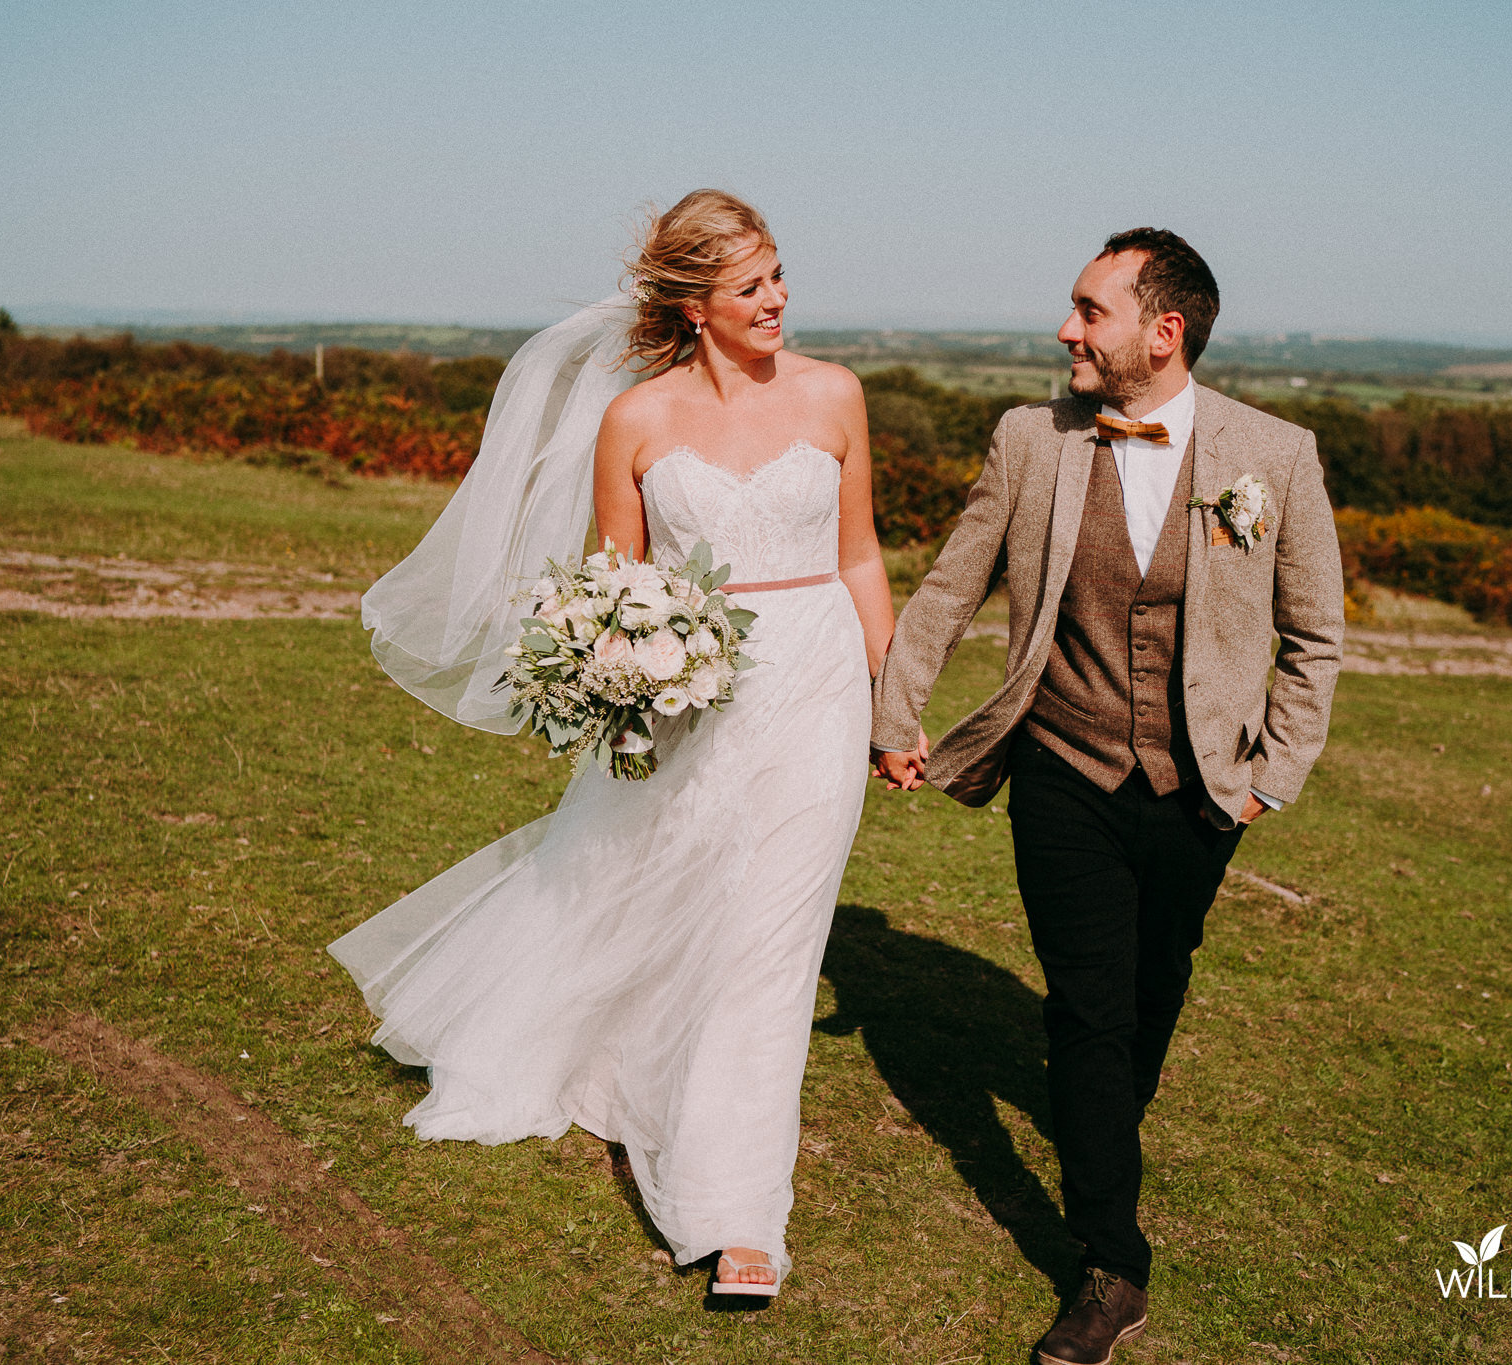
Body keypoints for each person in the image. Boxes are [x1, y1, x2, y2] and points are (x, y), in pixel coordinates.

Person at [331, 189, 904, 1297]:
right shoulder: (635, 422)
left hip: (822, 690)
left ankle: (735, 1215)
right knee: (668, 894)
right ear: (695, 305)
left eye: (779, 274)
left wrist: (894, 702)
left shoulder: (835, 396)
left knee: (773, 943)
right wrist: (627, 668)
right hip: (696, 694)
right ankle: (611, 1057)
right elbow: (616, 580)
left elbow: (863, 557)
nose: (777, 298)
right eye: (750, 285)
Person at [871, 228, 1344, 1363]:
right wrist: (896, 714)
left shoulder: (1271, 456)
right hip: (1063, 774)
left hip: (1203, 792)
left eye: (1088, 310)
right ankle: (1109, 1264)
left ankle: (1100, 1134)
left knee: (1151, 984)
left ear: (1161, 331)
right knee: (1084, 1010)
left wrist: (1268, 779)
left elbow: (1313, 638)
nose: (1064, 330)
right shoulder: (1028, 440)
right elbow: (948, 585)